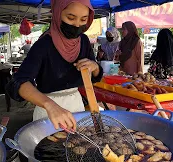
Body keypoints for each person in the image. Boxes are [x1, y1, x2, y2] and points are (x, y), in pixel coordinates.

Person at [6, 0, 103, 130]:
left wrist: (94, 67)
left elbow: (95, 75)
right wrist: (50, 105)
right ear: (58, 14)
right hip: (48, 112)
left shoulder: (84, 41)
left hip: (76, 106)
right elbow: (18, 82)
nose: (77, 24)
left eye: (83, 19)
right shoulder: (44, 44)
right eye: (70, 18)